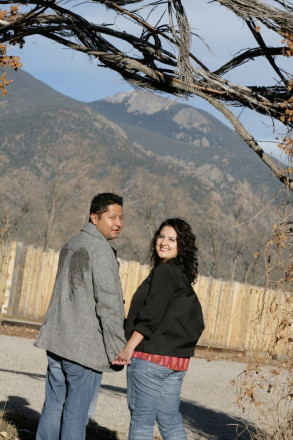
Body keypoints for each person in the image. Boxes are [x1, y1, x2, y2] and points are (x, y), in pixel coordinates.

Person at [34, 192, 126, 440]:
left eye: (121, 217)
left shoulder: (72, 243)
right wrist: (118, 348)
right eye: (112, 217)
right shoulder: (102, 250)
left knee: (53, 406)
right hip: (82, 349)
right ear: (94, 218)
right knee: (76, 414)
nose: (118, 222)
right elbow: (109, 305)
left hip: (56, 342)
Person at [113, 217, 205, 440]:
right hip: (176, 362)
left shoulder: (164, 273)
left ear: (181, 246)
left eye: (172, 239)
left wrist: (128, 348)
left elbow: (151, 316)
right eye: (161, 236)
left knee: (141, 422)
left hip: (151, 359)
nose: (164, 242)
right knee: (169, 419)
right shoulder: (180, 276)